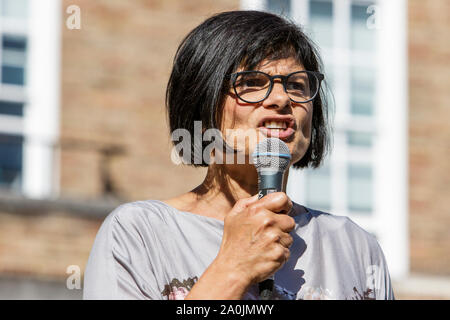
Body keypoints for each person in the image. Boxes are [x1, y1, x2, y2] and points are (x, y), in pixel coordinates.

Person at [83, 10, 394, 300]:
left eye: (297, 85)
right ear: (203, 102)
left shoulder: (356, 248)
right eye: (252, 83)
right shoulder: (140, 233)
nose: (281, 99)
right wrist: (232, 269)